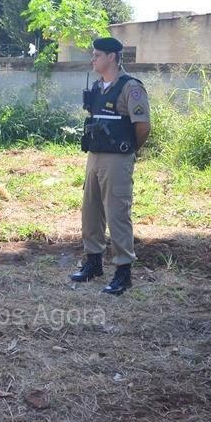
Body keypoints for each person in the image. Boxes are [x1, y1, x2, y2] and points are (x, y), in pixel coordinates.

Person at [70, 37, 150, 295]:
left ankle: (123, 271)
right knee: (90, 210)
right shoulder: (97, 86)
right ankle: (93, 262)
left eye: (97, 55)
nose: (93, 59)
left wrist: (128, 151)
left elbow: (143, 126)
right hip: (94, 155)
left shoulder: (130, 88)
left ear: (112, 57)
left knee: (117, 212)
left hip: (117, 158)